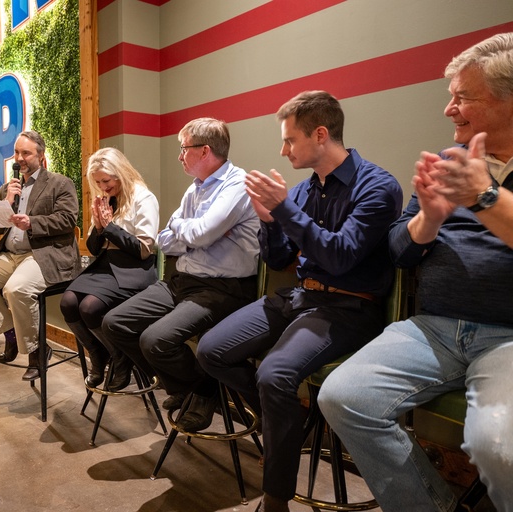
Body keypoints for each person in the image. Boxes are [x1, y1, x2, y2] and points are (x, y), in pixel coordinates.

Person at [318, 33, 513, 512]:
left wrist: (483, 196)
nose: (449, 109)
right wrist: (430, 216)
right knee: (342, 397)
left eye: (463, 97)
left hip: (507, 337)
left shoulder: (474, 177)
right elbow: (400, 251)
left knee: (498, 448)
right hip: (435, 328)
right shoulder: (450, 161)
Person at [196, 91, 403, 512]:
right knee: (211, 350)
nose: (283, 149)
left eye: (290, 140)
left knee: (274, 375)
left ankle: (276, 497)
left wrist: (284, 210)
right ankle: (283, 428)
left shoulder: (378, 186)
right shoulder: (305, 192)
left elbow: (340, 256)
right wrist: (270, 221)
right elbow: (279, 259)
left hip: (351, 308)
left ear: (321, 135)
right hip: (301, 297)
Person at [101, 118, 261, 431]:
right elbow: (165, 240)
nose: (180, 156)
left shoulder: (237, 185)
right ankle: (187, 387)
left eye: (183, 149)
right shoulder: (195, 189)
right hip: (182, 281)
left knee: (155, 340)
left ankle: (201, 391)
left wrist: (189, 232)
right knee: (115, 323)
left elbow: (198, 234)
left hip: (222, 288)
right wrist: (192, 233)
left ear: (204, 151)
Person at [0, 130, 80, 380]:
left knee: (16, 289)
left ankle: (37, 351)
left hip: (43, 254)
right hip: (10, 255)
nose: (19, 158)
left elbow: (68, 219)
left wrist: (32, 222)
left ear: (40, 154)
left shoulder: (60, 183)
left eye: (26, 153)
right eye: (17, 152)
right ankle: (12, 336)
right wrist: (6, 201)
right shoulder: (9, 187)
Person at [60, 148, 160, 389]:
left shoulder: (143, 198)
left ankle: (120, 358)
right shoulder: (107, 200)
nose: (103, 187)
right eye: (98, 182)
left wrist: (109, 227)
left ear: (121, 173)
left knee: (89, 307)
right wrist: (97, 226)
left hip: (134, 268)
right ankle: (98, 354)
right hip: (106, 266)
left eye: (106, 180)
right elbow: (95, 249)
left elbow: (143, 250)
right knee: (68, 302)